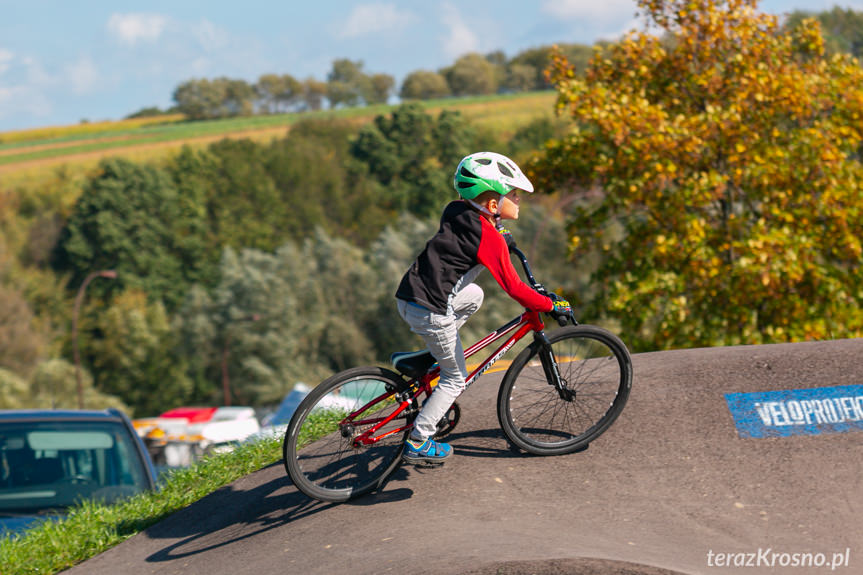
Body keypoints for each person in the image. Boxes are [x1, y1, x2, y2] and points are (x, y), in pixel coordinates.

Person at [394, 151, 572, 464]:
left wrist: (496, 226)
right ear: (492, 205)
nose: (518, 199)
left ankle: (430, 354)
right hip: (431, 310)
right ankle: (419, 440)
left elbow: (470, 231)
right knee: (455, 378)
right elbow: (515, 288)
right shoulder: (488, 237)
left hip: (410, 296)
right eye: (513, 195)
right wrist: (549, 304)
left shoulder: (456, 210)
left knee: (474, 294)